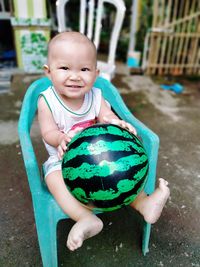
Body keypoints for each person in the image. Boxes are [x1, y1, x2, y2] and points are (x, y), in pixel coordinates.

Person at [38, 31, 170, 252]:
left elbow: (107, 116)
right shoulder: (47, 101)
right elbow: (47, 132)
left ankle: (143, 203)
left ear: (96, 73)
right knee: (52, 176)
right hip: (63, 160)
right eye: (64, 68)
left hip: (102, 155)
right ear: (48, 72)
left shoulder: (96, 96)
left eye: (84, 69)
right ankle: (85, 218)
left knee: (122, 171)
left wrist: (118, 123)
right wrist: (60, 138)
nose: (75, 76)